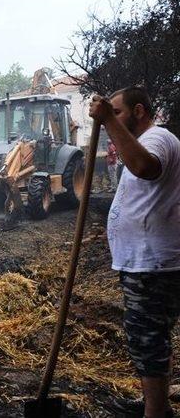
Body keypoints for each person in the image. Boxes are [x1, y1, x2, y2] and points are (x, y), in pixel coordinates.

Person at [89, 87, 180, 418]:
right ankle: (156, 403)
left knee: (147, 341)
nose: (112, 117)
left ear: (139, 111)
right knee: (152, 337)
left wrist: (106, 121)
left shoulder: (157, 139)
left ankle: (156, 412)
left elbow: (145, 167)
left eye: (118, 112)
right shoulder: (144, 142)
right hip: (145, 262)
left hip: (152, 265)